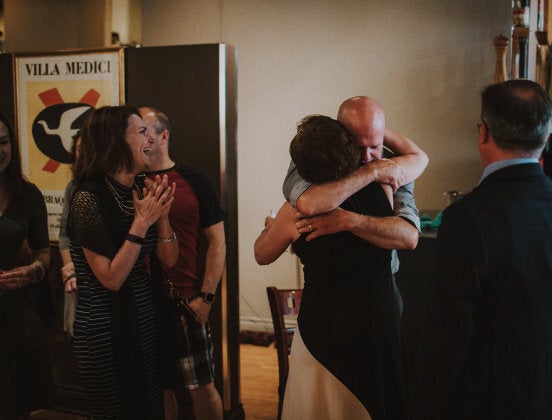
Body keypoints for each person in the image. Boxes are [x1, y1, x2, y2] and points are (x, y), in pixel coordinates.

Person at [419, 80, 552, 419]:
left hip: (486, 398)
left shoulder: (466, 218)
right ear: (545, 136)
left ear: (483, 133)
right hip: (548, 385)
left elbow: (448, 334)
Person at [255, 115, 408, 419]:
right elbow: (407, 232)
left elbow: (262, 254)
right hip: (378, 317)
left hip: (325, 324)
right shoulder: (384, 190)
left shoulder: (294, 210)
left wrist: (270, 228)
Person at [67, 105, 178, 418]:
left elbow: (169, 258)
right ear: (115, 142)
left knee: (150, 409)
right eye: (141, 132)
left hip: (145, 320)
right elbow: (111, 279)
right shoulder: (88, 198)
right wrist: (142, 223)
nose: (150, 140)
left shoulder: (142, 189)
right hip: (104, 329)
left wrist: (164, 218)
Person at [140, 107, 226, 420]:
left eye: (145, 130)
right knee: (159, 389)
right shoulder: (126, 181)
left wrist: (206, 298)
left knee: (201, 387)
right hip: (143, 304)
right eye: (135, 130)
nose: (140, 137)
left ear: (164, 136)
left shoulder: (195, 181)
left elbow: (218, 241)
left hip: (185, 301)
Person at [283, 96, 428, 264]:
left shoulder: (390, 165)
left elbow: (409, 237)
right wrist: (372, 172)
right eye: (359, 147)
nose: (367, 157)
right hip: (328, 273)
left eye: (375, 147)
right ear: (342, 137)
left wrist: (349, 221)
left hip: (380, 277)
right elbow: (309, 204)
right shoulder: (315, 156)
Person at [0, 112, 56, 418]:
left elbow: (43, 254)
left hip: (16, 310)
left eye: (3, 142)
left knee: (18, 403)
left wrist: (31, 271)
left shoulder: (27, 195)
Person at [58, 132, 81, 337]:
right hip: (75, 278)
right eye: (79, 149)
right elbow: (64, 234)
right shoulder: (73, 187)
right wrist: (69, 270)